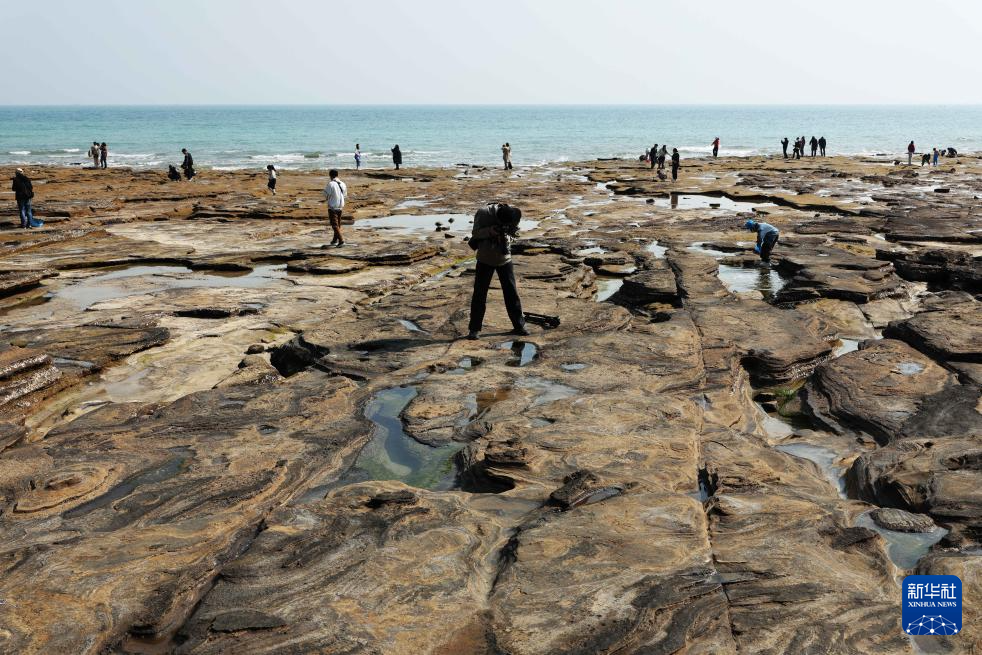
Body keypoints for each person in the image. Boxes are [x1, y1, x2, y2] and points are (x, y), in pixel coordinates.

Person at [466, 203, 528, 340]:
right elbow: (475, 233)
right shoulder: (483, 213)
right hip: (485, 259)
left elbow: (516, 233)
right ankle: (474, 329)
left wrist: (508, 238)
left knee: (511, 292)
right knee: (479, 295)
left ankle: (519, 326)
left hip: (504, 259)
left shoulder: (514, 214)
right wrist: (490, 231)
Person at [324, 168, 347, 247]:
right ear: (337, 175)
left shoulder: (330, 184)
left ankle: (341, 241)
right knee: (338, 224)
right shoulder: (343, 184)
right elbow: (344, 195)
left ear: (330, 176)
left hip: (333, 207)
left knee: (334, 225)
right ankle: (334, 240)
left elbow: (325, 195)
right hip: (340, 206)